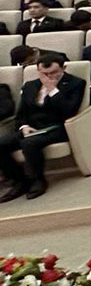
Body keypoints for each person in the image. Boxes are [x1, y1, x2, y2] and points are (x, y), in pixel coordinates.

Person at [0, 54, 86, 201]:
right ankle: (19, 180)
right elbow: (21, 113)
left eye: (53, 72)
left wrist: (52, 90)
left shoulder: (76, 83)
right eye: (44, 74)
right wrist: (24, 126)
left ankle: (37, 180)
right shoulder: (30, 86)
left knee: (29, 143)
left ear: (63, 68)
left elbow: (69, 111)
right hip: (32, 128)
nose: (49, 77)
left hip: (58, 127)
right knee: (2, 144)